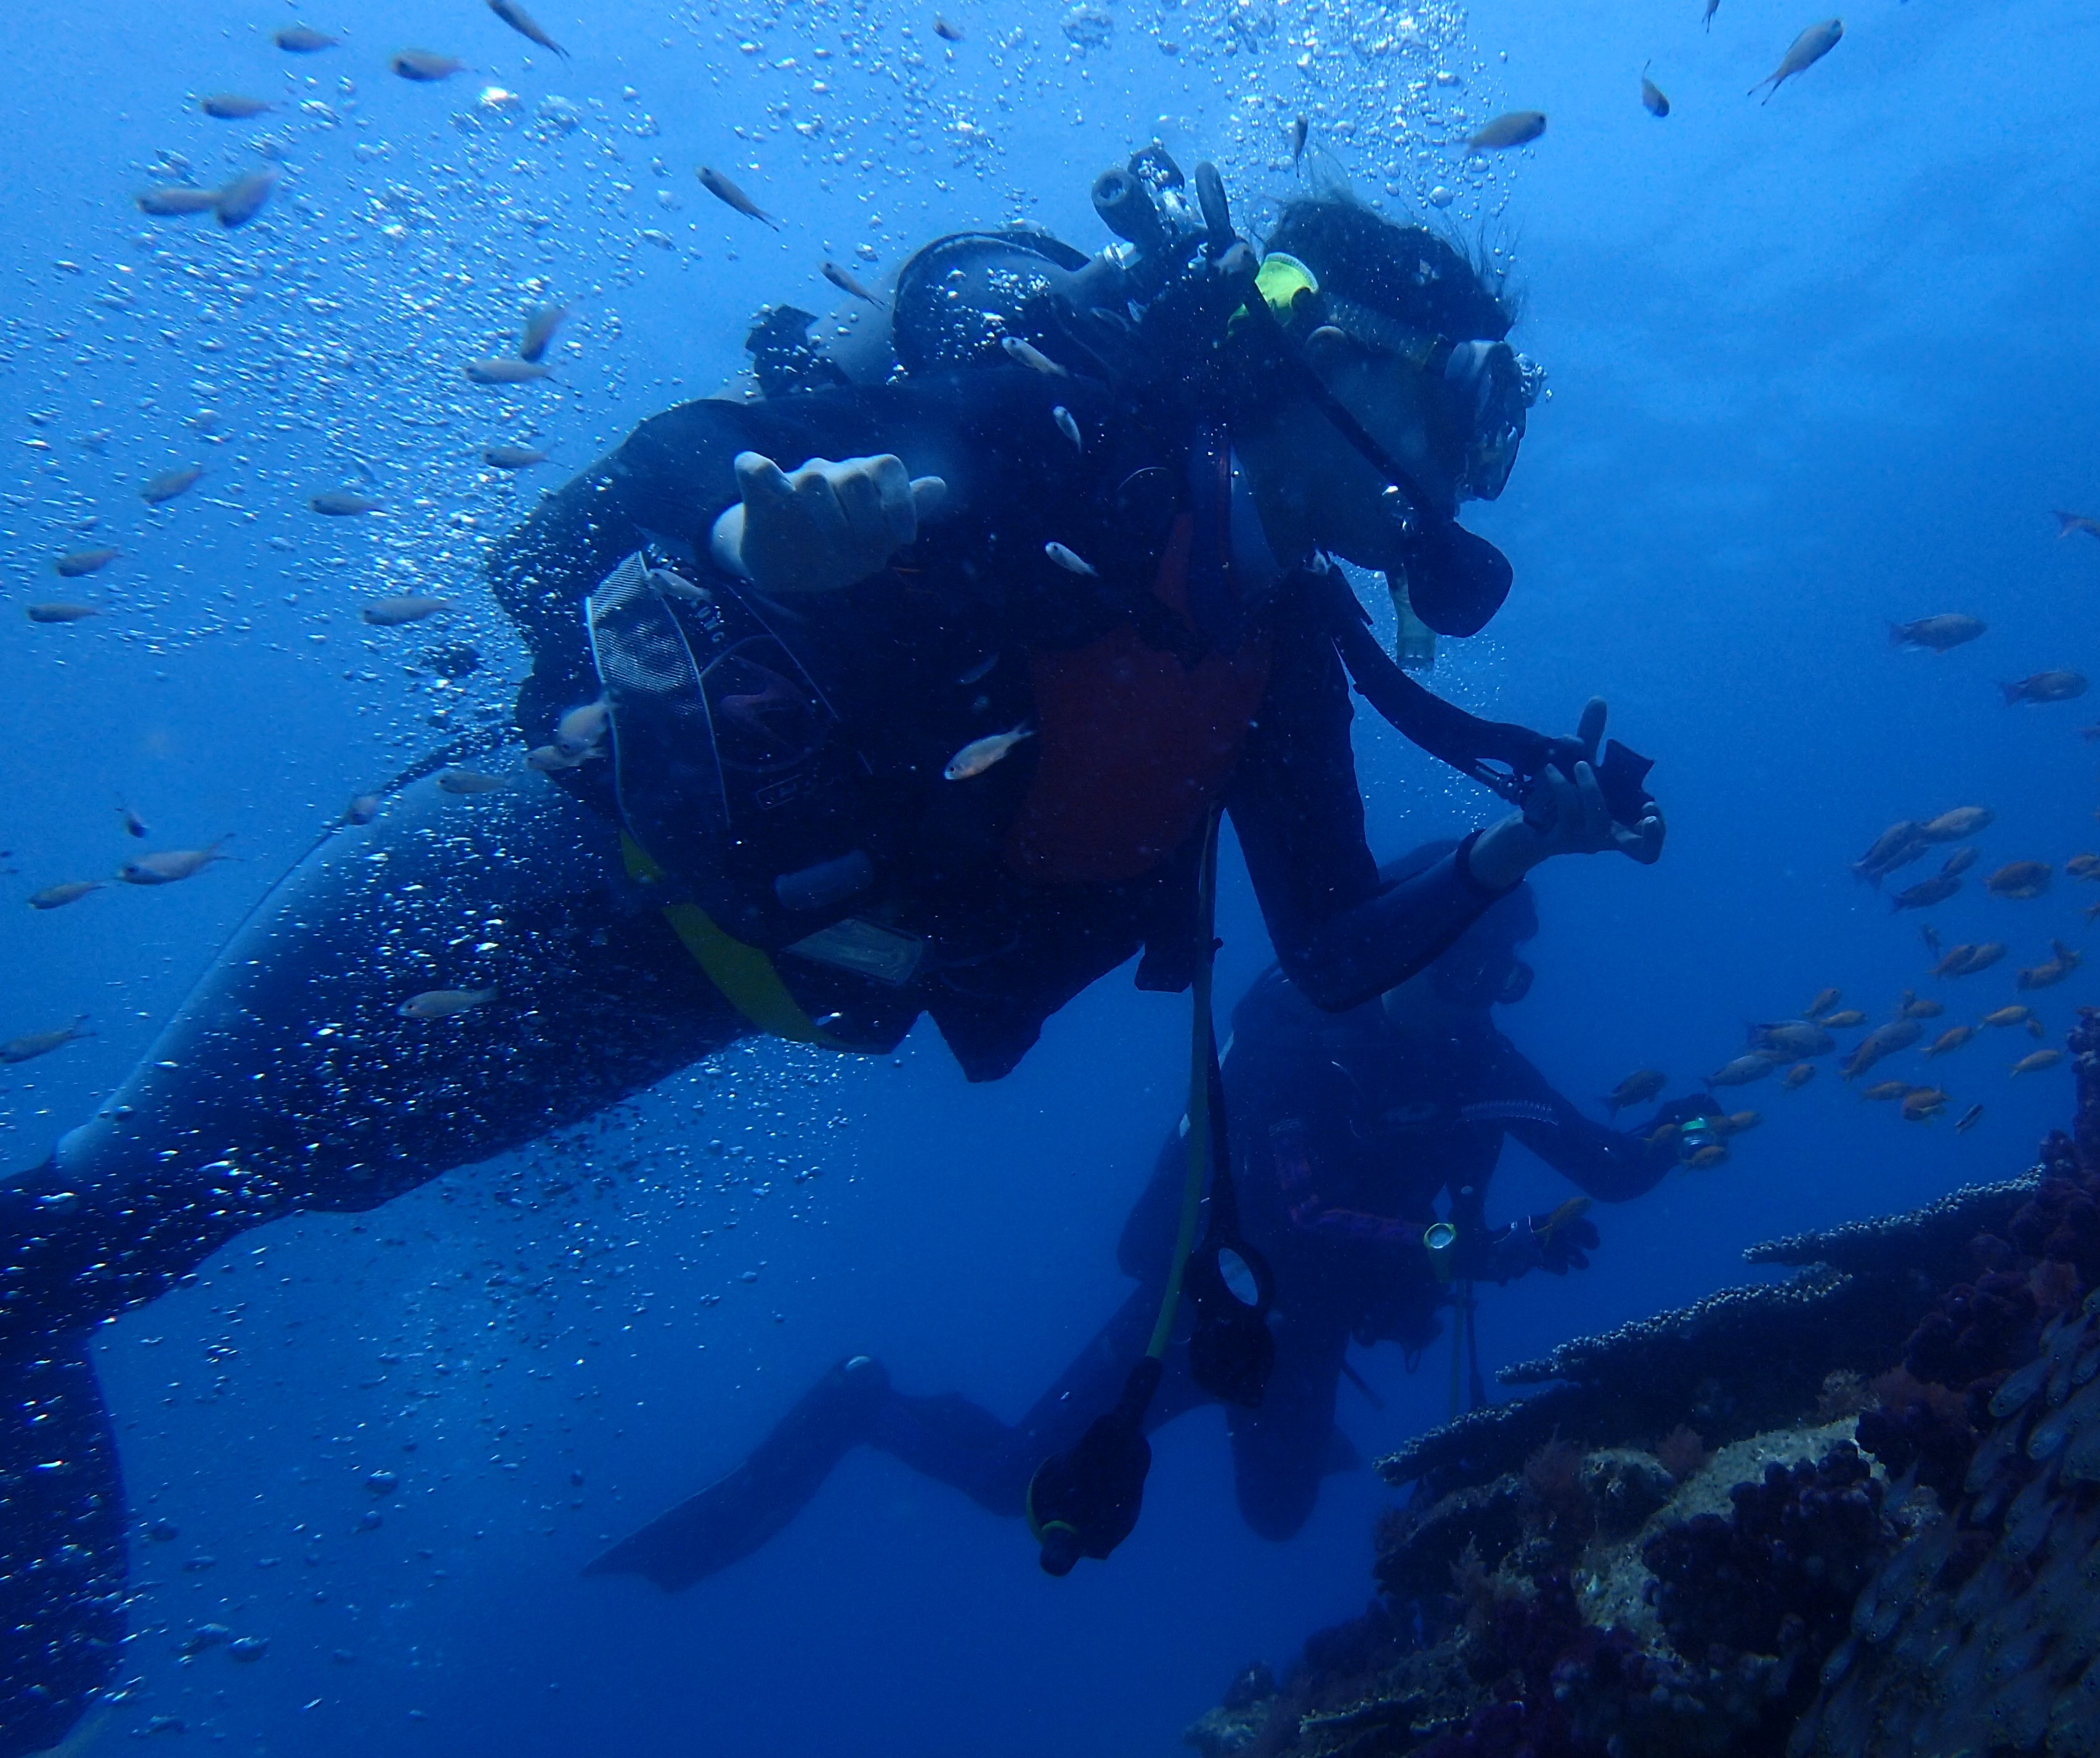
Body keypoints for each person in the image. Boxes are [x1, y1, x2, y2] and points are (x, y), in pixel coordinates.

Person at [0, 157, 1663, 1754]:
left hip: (693, 1002)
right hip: (526, 861)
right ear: (1335, 350)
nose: (1466, 464)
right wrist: (771, 540)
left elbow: (1331, 942)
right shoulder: (1070, 414)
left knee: (247, 1193)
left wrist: (1521, 841)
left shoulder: (1278, 647)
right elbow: (789, 463)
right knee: (119, 1191)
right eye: (1458, 405)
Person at [586, 861, 1696, 1590]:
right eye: (1475, 970)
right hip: (1205, 1304)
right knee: (1013, 1488)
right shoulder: (1302, 1036)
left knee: (1273, 1518)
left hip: (1307, 1333)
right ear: (1420, 952)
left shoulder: (1476, 1058)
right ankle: (863, 1399)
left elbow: (1600, 1161)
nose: (1492, 999)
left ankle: (1264, 1422)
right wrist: (1477, 1251)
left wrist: (1681, 1135)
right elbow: (1298, 1210)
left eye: (1505, 975)